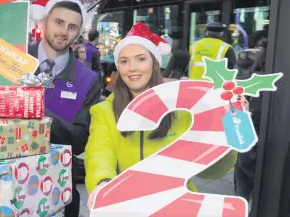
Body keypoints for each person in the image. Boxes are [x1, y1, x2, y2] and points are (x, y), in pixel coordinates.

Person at [84, 22, 243, 210]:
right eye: (124, 61)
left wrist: (230, 129)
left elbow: (212, 172)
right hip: (126, 208)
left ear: (155, 63)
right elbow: (99, 152)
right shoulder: (104, 111)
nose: (132, 68)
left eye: (141, 59)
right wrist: (103, 182)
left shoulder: (183, 110)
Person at [29, 0, 102, 217]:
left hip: (59, 192)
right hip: (5, 185)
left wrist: (35, 111)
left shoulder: (87, 79)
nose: (63, 31)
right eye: (58, 22)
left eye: (72, 27)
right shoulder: (15, 58)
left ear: (78, 33)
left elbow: (80, 140)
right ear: (44, 22)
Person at [233, 37, 267, 204]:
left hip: (245, 139)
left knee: (241, 192)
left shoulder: (247, 72)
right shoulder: (265, 81)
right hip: (259, 141)